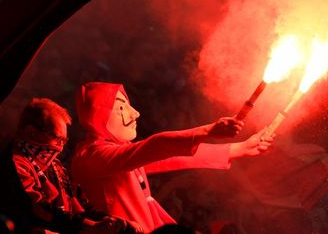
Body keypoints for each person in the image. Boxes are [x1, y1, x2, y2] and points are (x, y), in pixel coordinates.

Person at [71, 82, 273, 233]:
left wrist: (240, 148)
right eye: (122, 108)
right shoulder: (91, 157)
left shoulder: (118, 151)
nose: (136, 113)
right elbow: (156, 146)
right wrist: (207, 130)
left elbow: (169, 156)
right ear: (98, 115)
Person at [0, 98, 141, 234]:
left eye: (64, 141)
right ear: (31, 132)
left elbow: (79, 204)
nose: (60, 147)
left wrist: (112, 221)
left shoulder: (54, 166)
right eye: (57, 139)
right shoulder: (11, 165)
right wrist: (88, 227)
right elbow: (38, 210)